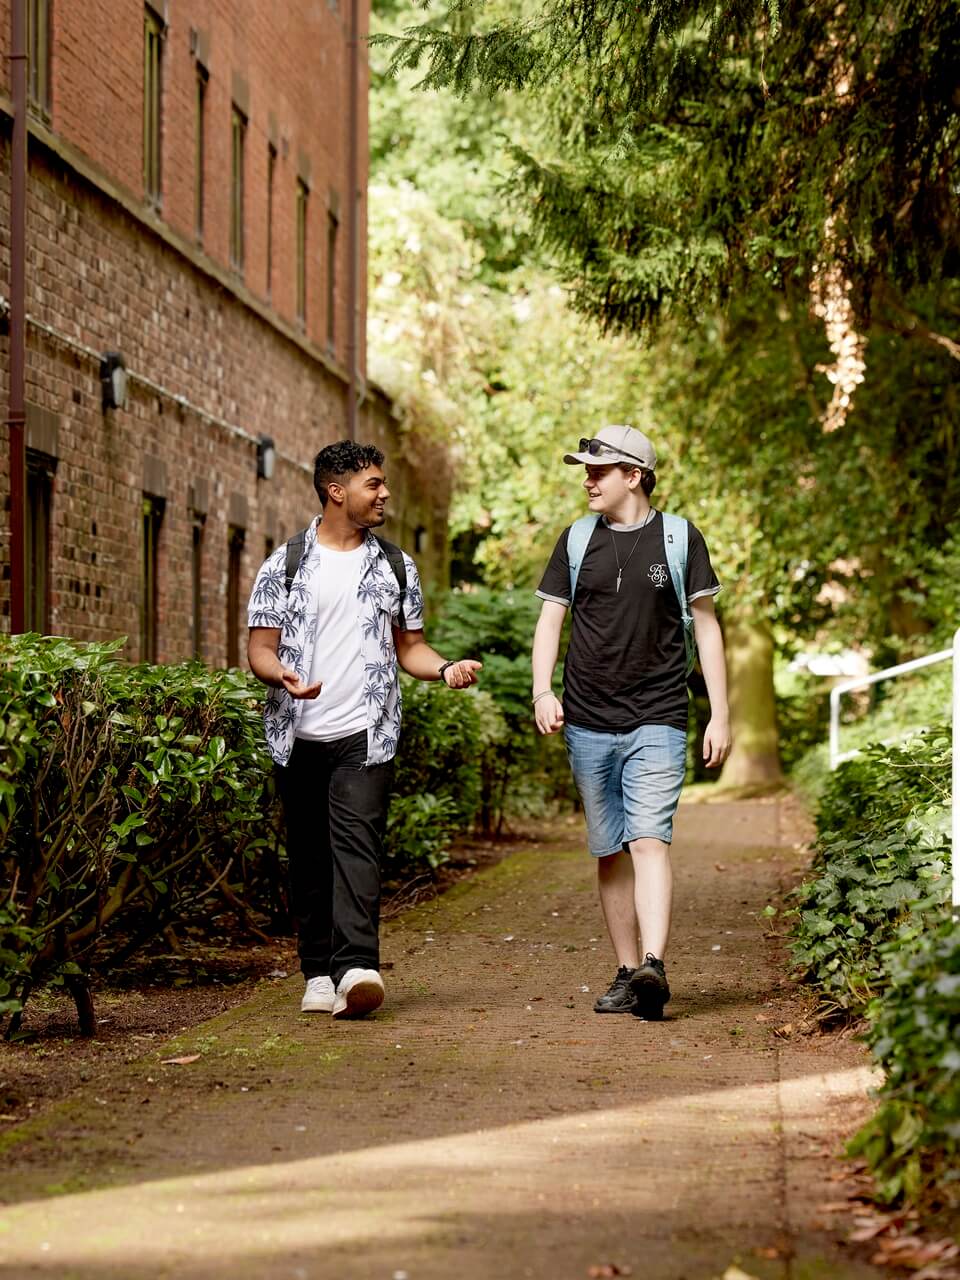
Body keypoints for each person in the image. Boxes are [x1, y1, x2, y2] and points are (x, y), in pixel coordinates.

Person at [247, 441, 481, 1019]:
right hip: (298, 733)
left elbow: (411, 647)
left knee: (358, 851)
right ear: (336, 491)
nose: (384, 494)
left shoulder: (396, 566)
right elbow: (259, 648)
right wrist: (281, 676)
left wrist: (445, 668)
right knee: (309, 857)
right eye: (373, 484)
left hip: (367, 732)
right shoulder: (284, 565)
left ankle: (356, 969)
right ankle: (316, 973)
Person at [531, 424, 731, 1020]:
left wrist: (720, 713)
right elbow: (550, 620)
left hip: (659, 714)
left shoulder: (679, 538)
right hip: (588, 718)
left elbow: (707, 627)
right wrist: (542, 691)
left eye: (599, 471)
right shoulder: (575, 540)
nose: (588, 481)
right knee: (610, 850)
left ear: (634, 476)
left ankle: (654, 965)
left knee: (648, 840)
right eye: (586, 472)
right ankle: (626, 974)